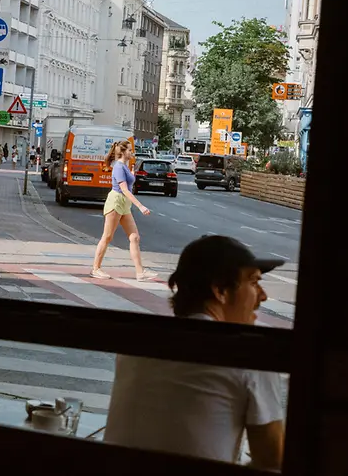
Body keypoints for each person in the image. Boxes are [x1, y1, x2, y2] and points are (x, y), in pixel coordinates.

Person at [104, 236, 285, 470]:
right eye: (253, 282)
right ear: (220, 290)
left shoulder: (140, 342)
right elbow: (273, 459)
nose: (262, 296)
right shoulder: (248, 353)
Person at [89, 139, 158, 281]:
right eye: (130, 150)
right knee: (107, 237)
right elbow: (125, 190)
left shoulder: (125, 166)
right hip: (116, 202)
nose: (132, 152)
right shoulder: (119, 167)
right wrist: (140, 206)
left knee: (134, 237)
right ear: (123, 152)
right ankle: (96, 269)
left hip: (124, 204)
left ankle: (140, 273)